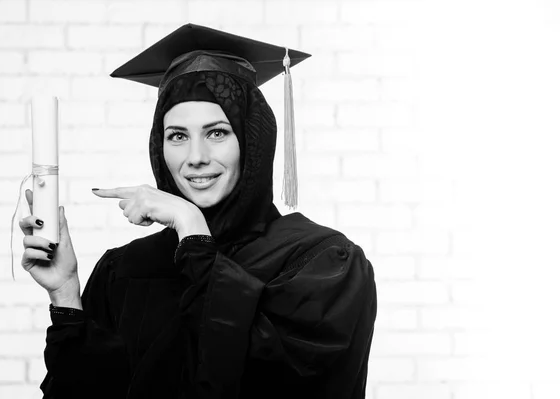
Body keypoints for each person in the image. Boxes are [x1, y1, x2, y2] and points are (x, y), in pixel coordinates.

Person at [19, 24, 377, 399]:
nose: (196, 158)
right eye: (178, 136)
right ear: (160, 147)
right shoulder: (124, 269)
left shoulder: (321, 263)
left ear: (253, 141)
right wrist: (66, 296)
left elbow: (276, 383)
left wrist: (192, 228)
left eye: (217, 132)